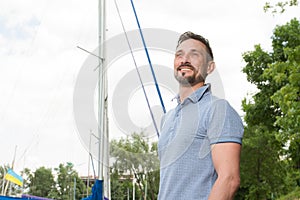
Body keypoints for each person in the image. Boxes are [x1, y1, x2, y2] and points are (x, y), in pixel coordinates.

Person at [157, 31, 244, 200]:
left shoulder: (218, 109)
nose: (185, 60)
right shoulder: (166, 119)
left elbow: (229, 179)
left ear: (209, 67)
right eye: (179, 55)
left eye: (194, 54)